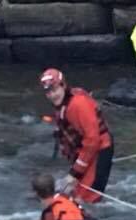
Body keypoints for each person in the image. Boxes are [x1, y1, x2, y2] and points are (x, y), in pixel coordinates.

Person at [40, 68, 114, 204]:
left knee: (85, 199)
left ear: (63, 85)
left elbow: (93, 140)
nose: (52, 95)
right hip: (86, 152)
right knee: (72, 195)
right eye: (48, 92)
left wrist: (75, 173)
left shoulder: (78, 104)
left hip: (99, 149)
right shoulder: (63, 106)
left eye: (55, 90)